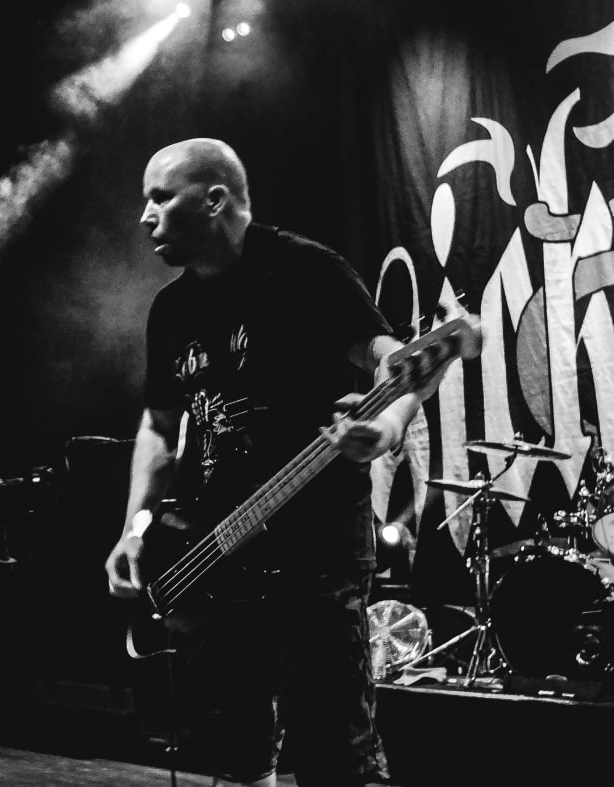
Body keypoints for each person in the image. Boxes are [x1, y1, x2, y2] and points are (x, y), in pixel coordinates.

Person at [104, 139, 452, 786]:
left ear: (214, 200)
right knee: (235, 753)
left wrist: (386, 427)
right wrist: (134, 526)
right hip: (215, 551)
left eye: (160, 197)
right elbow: (158, 424)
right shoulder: (171, 309)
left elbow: (393, 363)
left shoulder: (304, 270)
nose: (145, 216)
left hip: (313, 552)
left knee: (333, 755)